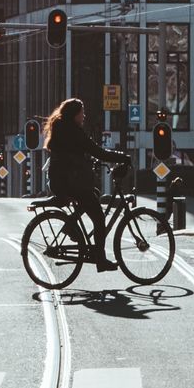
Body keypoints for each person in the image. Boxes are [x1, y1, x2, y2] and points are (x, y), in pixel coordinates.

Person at [43, 97, 130, 271]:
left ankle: (70, 227)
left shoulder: (63, 129)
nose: (84, 116)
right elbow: (98, 151)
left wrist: (90, 161)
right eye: (82, 112)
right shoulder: (73, 132)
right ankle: (100, 259)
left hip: (63, 181)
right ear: (74, 114)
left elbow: (76, 155)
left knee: (95, 194)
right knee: (99, 218)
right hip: (70, 183)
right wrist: (122, 157)